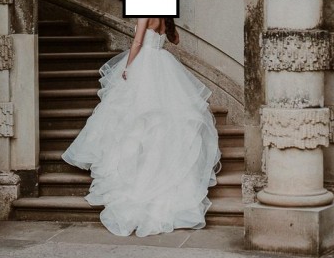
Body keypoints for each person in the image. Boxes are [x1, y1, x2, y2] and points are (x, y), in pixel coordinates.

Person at [61, 16, 222, 237]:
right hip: (163, 65)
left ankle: (135, 170)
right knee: (160, 121)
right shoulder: (166, 18)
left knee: (136, 119)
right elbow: (175, 40)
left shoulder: (145, 14)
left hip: (145, 64)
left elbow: (137, 43)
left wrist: (128, 67)